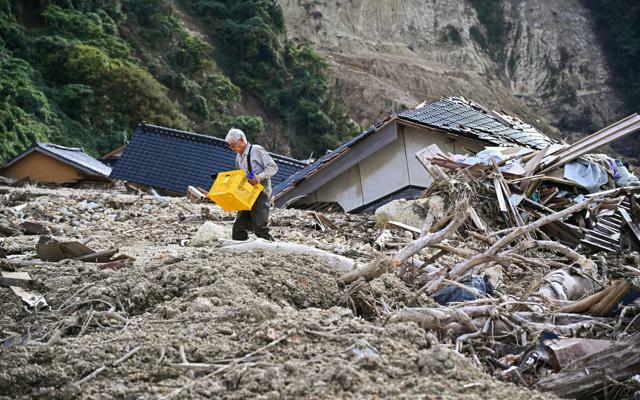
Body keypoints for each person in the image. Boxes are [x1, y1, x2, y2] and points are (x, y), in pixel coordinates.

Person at [225, 128, 278, 240]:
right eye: (230, 146)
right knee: (238, 229)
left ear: (241, 140)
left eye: (233, 145)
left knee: (260, 228)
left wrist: (259, 177)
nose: (232, 148)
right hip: (248, 193)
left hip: (261, 192)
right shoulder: (238, 158)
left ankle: (274, 248)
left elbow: (273, 167)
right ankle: (241, 249)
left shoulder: (257, 150)